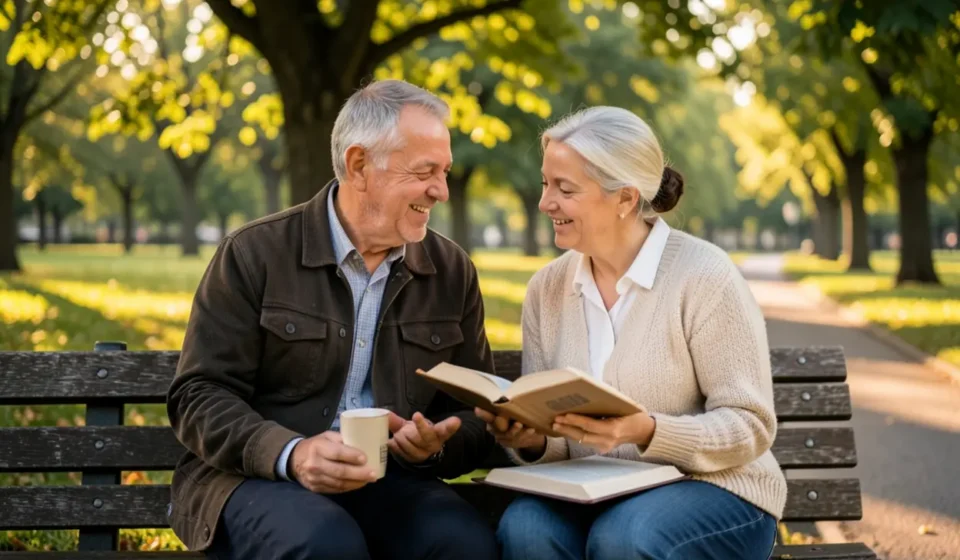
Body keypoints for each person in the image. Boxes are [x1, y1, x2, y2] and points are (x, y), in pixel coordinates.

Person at [166, 79, 498, 560]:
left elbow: (475, 412)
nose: (441, 191)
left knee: (464, 545)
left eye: (445, 172)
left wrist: (433, 445)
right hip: (254, 478)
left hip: (388, 479)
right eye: (425, 171)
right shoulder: (254, 253)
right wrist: (293, 454)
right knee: (325, 544)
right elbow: (198, 395)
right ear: (359, 165)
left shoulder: (451, 271)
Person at [476, 106, 787, 560]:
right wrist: (533, 439)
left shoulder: (704, 276)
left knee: (625, 538)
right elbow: (556, 432)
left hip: (716, 490)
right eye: (546, 184)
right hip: (592, 490)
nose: (545, 203)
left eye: (565, 189)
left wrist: (647, 431)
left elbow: (750, 426)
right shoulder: (547, 289)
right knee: (526, 528)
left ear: (624, 198)